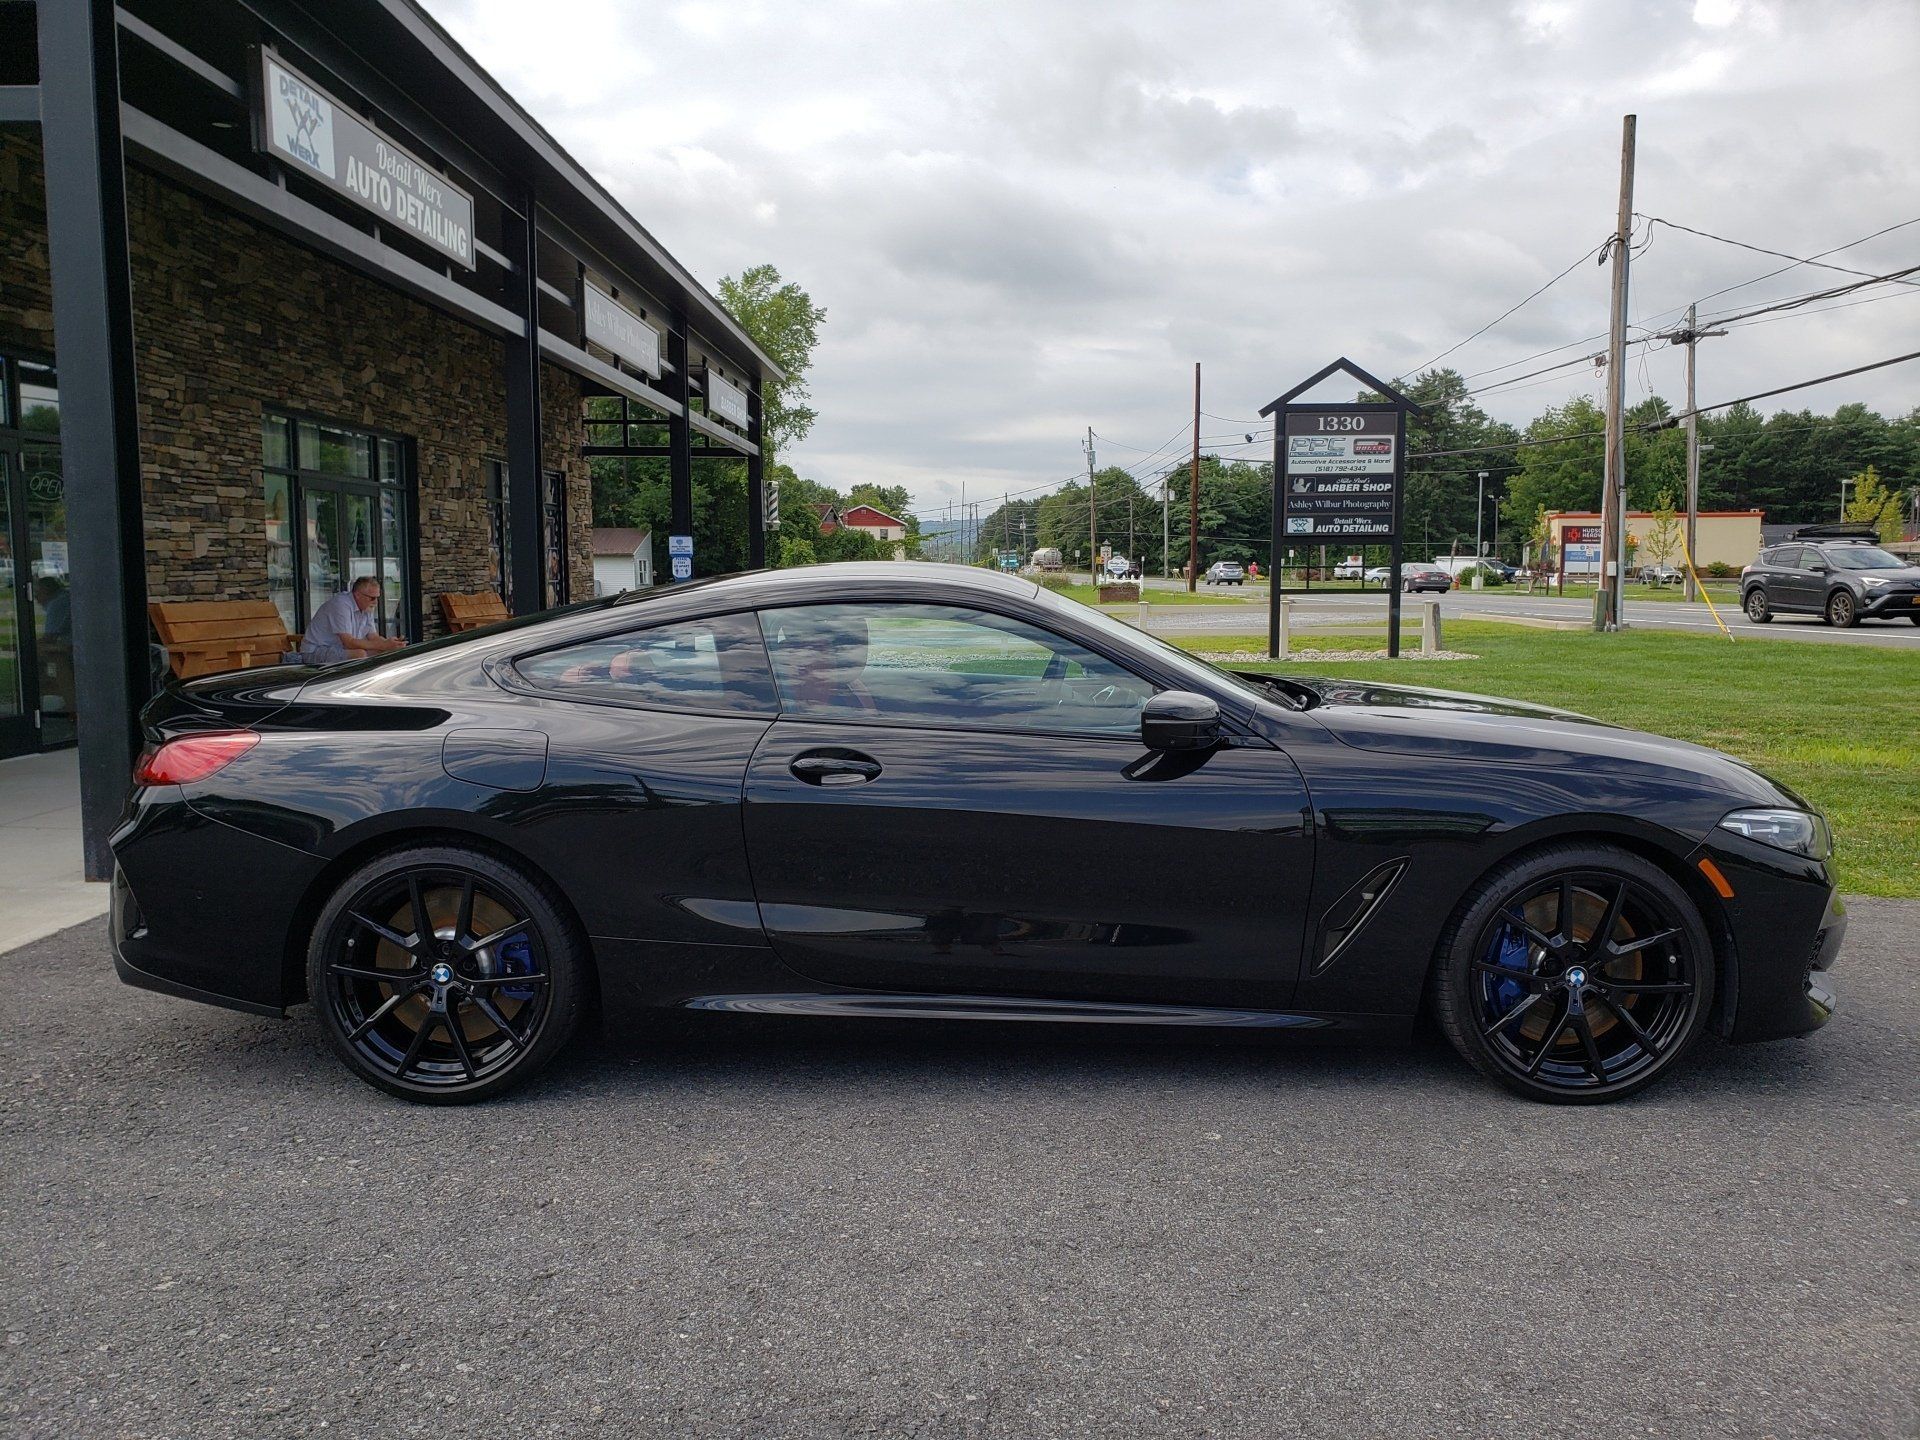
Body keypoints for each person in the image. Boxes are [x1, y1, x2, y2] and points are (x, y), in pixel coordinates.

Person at [299, 576, 406, 666]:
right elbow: (349, 642)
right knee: (359, 654)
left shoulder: (366, 607)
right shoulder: (341, 605)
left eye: (377, 598)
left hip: (338, 649)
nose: (376, 602)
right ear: (358, 595)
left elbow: (373, 637)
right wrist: (383, 645)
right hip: (314, 652)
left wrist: (392, 644)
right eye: (372, 598)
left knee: (381, 652)